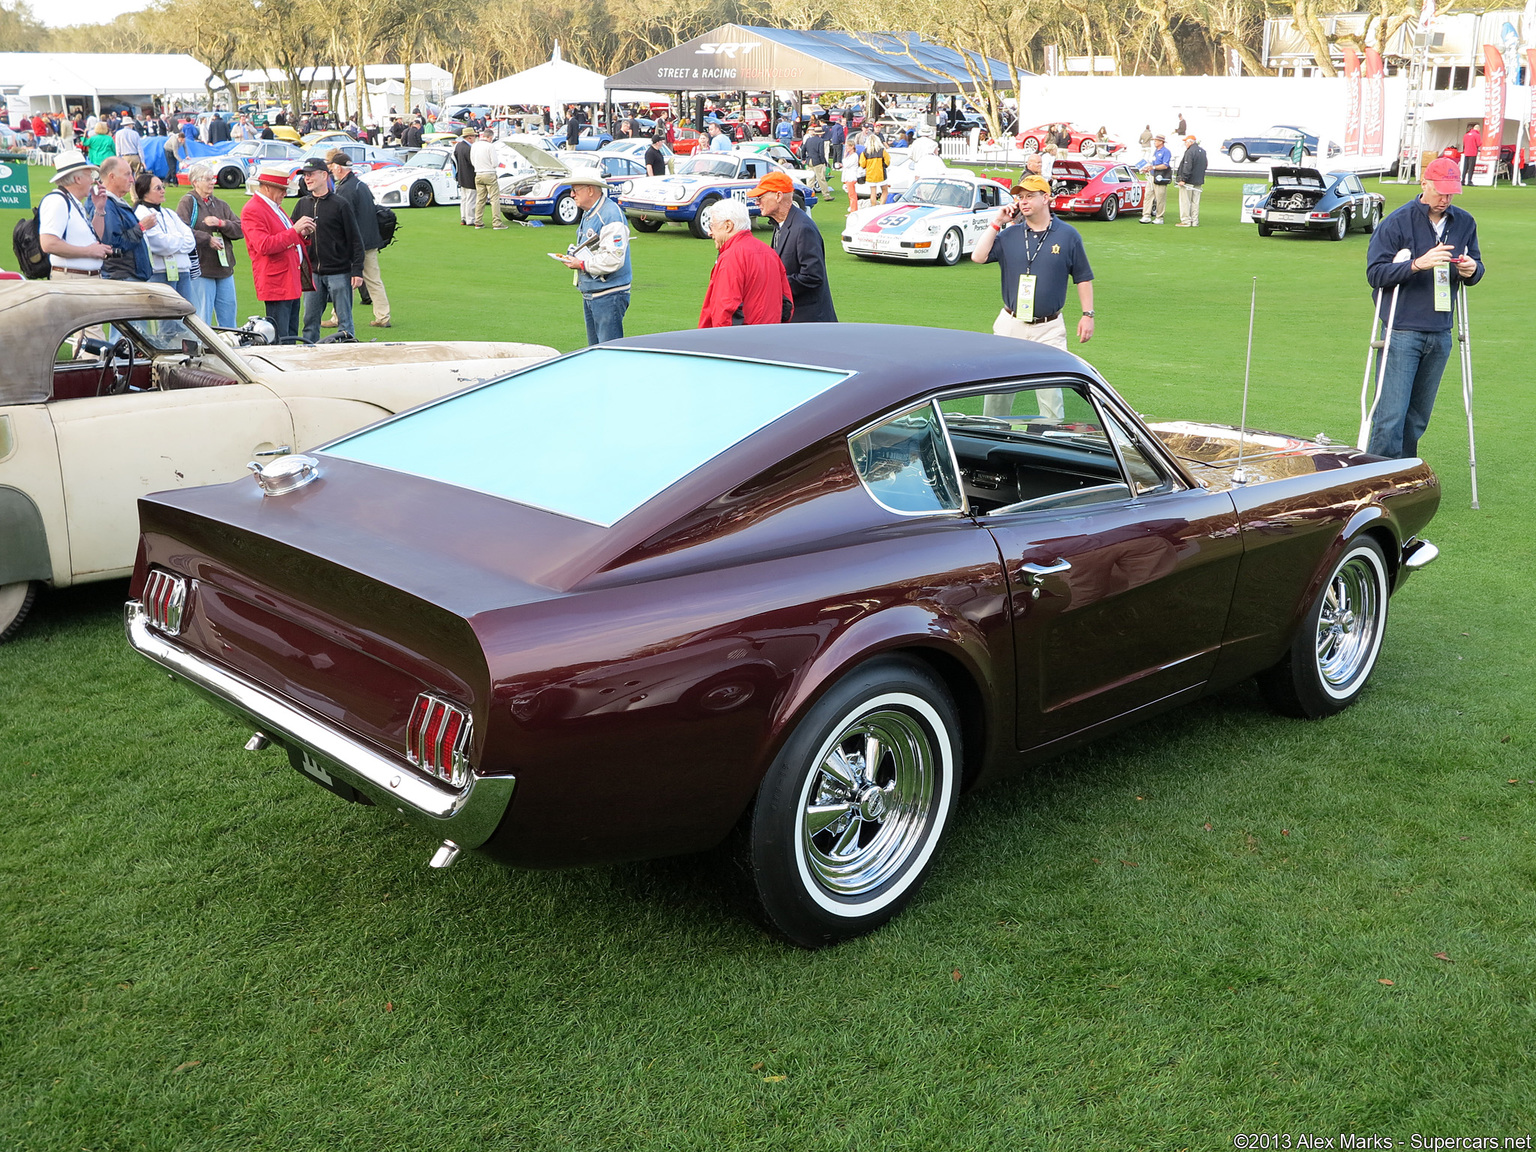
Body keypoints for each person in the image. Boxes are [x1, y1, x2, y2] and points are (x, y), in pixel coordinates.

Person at [1363, 156, 1483, 460]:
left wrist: (1472, 270)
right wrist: (1416, 264)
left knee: (1417, 418)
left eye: (1450, 192)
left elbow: (1476, 267)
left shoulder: (1465, 222)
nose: (1444, 199)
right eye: (1440, 191)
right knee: (1390, 415)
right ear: (1424, 183)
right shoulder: (1397, 222)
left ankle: (1403, 476)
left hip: (1441, 330)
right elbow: (1375, 274)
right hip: (1402, 329)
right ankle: (1379, 478)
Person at [970, 174, 1095, 420]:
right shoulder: (1009, 234)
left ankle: (1051, 445)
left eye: (1030, 196)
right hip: (1010, 323)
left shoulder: (1068, 235)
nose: (1023, 201)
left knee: (1051, 397)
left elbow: (1082, 276)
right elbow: (978, 256)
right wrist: (997, 221)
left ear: (1046, 198)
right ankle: (990, 443)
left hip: (1049, 328)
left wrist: (1087, 315)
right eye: (1020, 197)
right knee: (996, 395)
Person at [289, 157, 364, 343]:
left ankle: (347, 355)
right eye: (305, 175)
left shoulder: (340, 204)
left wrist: (357, 270)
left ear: (324, 175)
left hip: (339, 272)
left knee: (345, 322)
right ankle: (309, 357)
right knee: (309, 322)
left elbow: (355, 239)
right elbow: (292, 236)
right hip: (312, 273)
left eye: (311, 174)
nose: (307, 178)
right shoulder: (302, 204)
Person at [553, 171, 632, 345]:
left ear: (590, 190)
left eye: (575, 189)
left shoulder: (610, 215)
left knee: (608, 352)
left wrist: (581, 264)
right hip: (595, 292)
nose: (572, 194)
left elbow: (614, 258)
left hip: (608, 293)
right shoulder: (592, 212)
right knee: (596, 351)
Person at [752, 170, 836, 324]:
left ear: (778, 196)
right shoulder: (781, 224)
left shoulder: (803, 228)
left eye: (760, 197)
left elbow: (813, 276)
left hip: (809, 323)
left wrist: (773, 283)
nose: (757, 202)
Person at [241, 163, 312, 343]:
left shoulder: (273, 206)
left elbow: (284, 237)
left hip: (288, 281)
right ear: (267, 187)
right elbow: (264, 246)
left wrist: (302, 235)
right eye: (282, 189)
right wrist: (295, 231)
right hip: (277, 283)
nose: (285, 193)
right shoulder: (253, 209)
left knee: (290, 336)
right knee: (281, 339)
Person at [698, 197, 792, 327]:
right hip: (770, 338)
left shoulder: (731, 257)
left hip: (741, 341)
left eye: (712, 225)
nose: (709, 232)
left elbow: (725, 310)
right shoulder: (770, 254)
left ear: (728, 225)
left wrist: (720, 343)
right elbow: (787, 305)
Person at [326, 149, 390, 328]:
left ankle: (337, 317)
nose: (332, 172)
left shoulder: (346, 189)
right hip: (369, 240)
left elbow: (344, 220)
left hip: (356, 243)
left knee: (344, 281)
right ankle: (383, 316)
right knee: (373, 280)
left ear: (339, 168)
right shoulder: (360, 185)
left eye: (333, 168)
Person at [178, 161, 243, 325]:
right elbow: (181, 231)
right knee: (202, 317)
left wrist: (222, 224)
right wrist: (207, 239)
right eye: (207, 179)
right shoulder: (187, 202)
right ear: (195, 182)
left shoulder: (221, 204)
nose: (212, 182)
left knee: (229, 317)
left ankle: (230, 347)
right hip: (202, 269)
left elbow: (241, 229)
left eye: (212, 178)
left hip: (224, 269)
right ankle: (202, 350)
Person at [38, 152, 112, 279]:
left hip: (83, 278)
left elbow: (94, 238)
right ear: (77, 179)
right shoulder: (57, 201)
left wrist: (99, 209)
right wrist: (89, 252)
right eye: (89, 175)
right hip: (72, 279)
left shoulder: (72, 202)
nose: (93, 181)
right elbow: (48, 244)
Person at [134, 171, 200, 305]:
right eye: (158, 188)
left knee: (187, 318)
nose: (163, 190)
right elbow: (161, 245)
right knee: (168, 322)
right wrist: (178, 240)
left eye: (162, 186)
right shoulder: (142, 213)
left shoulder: (169, 213)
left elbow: (190, 239)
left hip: (182, 271)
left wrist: (174, 241)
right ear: (145, 192)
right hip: (160, 273)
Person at [92, 156, 152, 282]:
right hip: (122, 276)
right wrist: (141, 227)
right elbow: (112, 243)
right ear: (112, 177)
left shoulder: (114, 201)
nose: (132, 180)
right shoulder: (106, 204)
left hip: (129, 275)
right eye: (127, 175)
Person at [470, 126, 505, 230]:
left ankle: (478, 222)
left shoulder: (474, 146)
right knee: (494, 199)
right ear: (490, 137)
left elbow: (472, 161)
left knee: (480, 199)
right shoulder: (490, 146)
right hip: (489, 173)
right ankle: (497, 223)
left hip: (478, 173)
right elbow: (494, 162)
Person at [1175, 134, 1207, 227]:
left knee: (1185, 201)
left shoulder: (1190, 152)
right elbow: (1205, 165)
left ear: (1190, 142)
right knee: (1195, 202)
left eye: (1186, 142)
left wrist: (1183, 179)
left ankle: (1186, 221)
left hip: (1188, 182)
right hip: (1198, 181)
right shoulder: (1203, 151)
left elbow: (1187, 166)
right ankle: (1195, 220)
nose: (1185, 144)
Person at [1139, 133, 1171, 224]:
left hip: (1160, 178)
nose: (1154, 142)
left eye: (1156, 141)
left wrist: (1153, 167)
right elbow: (1153, 163)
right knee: (1148, 196)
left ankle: (1159, 217)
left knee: (1160, 198)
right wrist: (1148, 168)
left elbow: (1165, 165)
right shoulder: (1156, 151)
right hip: (1152, 176)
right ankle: (1146, 215)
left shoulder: (1166, 152)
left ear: (1161, 142)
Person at [799, 121, 831, 201]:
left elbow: (803, 150)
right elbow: (821, 153)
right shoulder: (820, 141)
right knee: (821, 179)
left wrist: (803, 159)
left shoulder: (808, 140)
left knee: (810, 179)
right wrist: (824, 162)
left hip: (809, 161)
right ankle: (826, 195)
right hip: (817, 162)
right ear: (820, 134)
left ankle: (808, 195)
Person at [453, 127, 477, 226]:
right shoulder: (469, 148)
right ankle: (470, 219)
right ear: (470, 137)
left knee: (464, 199)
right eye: (474, 136)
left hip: (461, 176)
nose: (475, 138)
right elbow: (473, 163)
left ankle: (464, 218)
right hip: (470, 176)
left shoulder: (458, 146)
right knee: (471, 199)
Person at [861, 131, 890, 204]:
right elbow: (887, 161)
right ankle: (881, 206)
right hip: (881, 174)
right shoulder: (882, 151)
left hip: (870, 175)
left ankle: (874, 207)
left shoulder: (865, 152)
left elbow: (862, 164)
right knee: (885, 191)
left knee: (873, 193)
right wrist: (884, 166)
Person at [840, 140, 863, 211]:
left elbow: (846, 165)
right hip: (848, 177)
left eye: (847, 146)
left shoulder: (854, 156)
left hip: (851, 177)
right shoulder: (850, 156)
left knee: (852, 195)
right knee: (851, 195)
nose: (846, 148)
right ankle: (852, 209)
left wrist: (844, 156)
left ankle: (853, 210)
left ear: (852, 146)